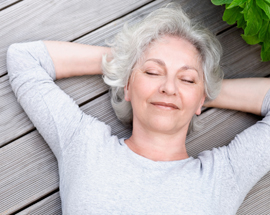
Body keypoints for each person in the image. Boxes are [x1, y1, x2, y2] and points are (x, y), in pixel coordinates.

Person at [6, 3, 270, 215]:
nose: (169, 87)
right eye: (153, 71)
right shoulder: (85, 146)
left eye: (186, 78)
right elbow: (24, 59)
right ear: (128, 86)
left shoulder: (225, 176)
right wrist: (123, 63)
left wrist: (201, 91)